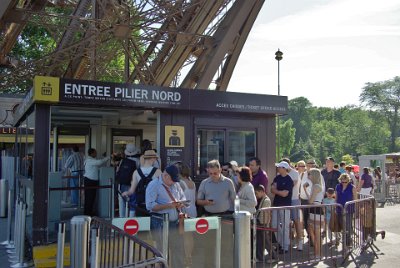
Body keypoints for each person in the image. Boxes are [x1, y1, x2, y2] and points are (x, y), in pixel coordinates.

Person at [145, 165, 186, 268]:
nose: (173, 182)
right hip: (160, 222)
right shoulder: (153, 185)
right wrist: (169, 205)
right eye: (172, 179)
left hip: (175, 223)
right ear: (165, 175)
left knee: (178, 250)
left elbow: (183, 197)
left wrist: (181, 203)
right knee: (162, 252)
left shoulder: (176, 184)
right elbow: (150, 206)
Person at [122, 150, 162, 216]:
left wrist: (126, 193)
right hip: (154, 204)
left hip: (140, 204)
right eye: (155, 158)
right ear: (152, 159)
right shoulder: (158, 172)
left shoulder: (136, 172)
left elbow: (132, 190)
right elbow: (161, 189)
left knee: (142, 223)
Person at [176, 162, 196, 267]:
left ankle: (186, 258)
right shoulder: (191, 182)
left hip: (185, 211)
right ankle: (189, 257)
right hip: (193, 210)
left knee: (184, 236)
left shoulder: (180, 183)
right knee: (190, 236)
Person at [271, 161, 293, 254]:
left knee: (285, 226)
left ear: (284, 168)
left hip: (285, 205)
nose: (278, 168)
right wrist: (278, 191)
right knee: (274, 225)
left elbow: (285, 194)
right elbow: (272, 190)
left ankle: (285, 246)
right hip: (276, 204)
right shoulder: (277, 177)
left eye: (279, 167)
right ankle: (280, 243)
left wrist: (276, 191)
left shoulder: (289, 180)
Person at [281, 158, 303, 251]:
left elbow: (290, 185)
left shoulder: (294, 173)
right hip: (285, 200)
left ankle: (300, 242)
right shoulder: (281, 173)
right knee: (287, 222)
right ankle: (288, 242)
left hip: (294, 199)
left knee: (296, 221)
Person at [304, 168, 325, 258]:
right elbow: (310, 199)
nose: (308, 176)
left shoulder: (316, 186)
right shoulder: (314, 186)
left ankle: (319, 253)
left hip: (317, 210)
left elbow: (311, 200)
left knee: (316, 233)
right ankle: (317, 252)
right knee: (312, 232)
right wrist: (305, 189)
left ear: (314, 175)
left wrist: (310, 199)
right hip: (313, 209)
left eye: (310, 174)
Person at [83, 148, 110, 216]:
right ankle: (88, 213)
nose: (96, 154)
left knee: (90, 198)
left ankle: (88, 212)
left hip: (90, 181)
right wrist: (108, 157)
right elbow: (99, 162)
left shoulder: (90, 160)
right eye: (95, 153)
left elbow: (97, 164)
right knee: (90, 198)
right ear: (92, 153)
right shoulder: (89, 160)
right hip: (90, 181)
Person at [116, 143, 140, 217]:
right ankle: (131, 219)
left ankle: (122, 218)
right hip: (133, 183)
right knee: (133, 201)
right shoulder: (137, 161)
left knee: (122, 202)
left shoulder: (122, 161)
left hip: (122, 184)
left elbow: (117, 171)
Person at [254, 185, 277, 263]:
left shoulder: (266, 200)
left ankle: (274, 257)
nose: (256, 195)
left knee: (266, 241)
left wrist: (267, 224)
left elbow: (267, 213)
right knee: (260, 241)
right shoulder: (263, 199)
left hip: (263, 223)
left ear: (261, 192)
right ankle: (260, 257)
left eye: (256, 193)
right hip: (260, 222)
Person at [335, 173, 357, 246]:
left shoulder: (352, 187)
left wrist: (356, 209)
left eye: (346, 182)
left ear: (348, 181)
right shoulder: (338, 186)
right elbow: (336, 197)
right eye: (342, 182)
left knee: (348, 225)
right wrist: (335, 206)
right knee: (342, 225)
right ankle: (345, 239)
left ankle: (348, 241)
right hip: (339, 208)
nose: (344, 183)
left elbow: (355, 199)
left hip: (349, 209)